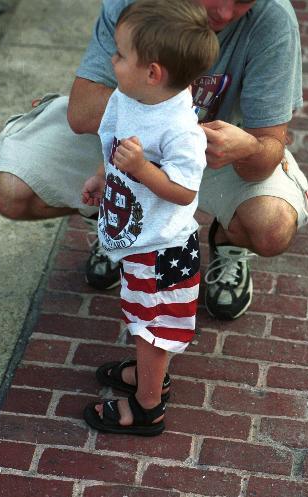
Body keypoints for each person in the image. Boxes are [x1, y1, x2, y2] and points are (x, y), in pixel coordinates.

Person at [0, 0, 308, 322]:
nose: (225, 13)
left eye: (243, 1)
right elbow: (83, 110)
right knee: (10, 191)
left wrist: (249, 149)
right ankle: (116, 220)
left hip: (215, 152)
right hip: (127, 139)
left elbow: (267, 150)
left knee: (272, 227)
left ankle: (227, 242)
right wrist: (166, 132)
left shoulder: (274, 20)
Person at [81, 0, 218, 435]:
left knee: (152, 328)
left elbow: (184, 191)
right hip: (140, 240)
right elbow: (114, 143)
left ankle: (146, 406)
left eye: (121, 55)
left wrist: (143, 170)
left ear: (153, 72)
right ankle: (147, 375)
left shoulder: (180, 129)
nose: (112, 60)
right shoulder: (128, 96)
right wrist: (104, 175)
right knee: (141, 316)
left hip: (164, 250)